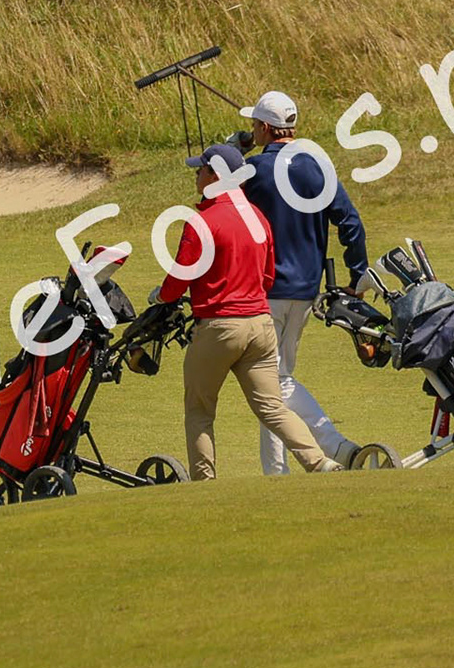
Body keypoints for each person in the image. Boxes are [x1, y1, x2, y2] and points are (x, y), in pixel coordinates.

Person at [156, 144, 342, 480]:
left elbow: (178, 280)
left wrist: (160, 296)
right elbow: (267, 277)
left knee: (199, 411)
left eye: (200, 169)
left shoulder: (202, 221)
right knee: (272, 407)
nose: (196, 175)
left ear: (215, 176)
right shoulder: (258, 217)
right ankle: (320, 462)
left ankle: (204, 483)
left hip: (218, 328)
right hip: (260, 326)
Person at [238, 90, 371, 475]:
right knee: (277, 380)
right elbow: (351, 223)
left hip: (267, 291)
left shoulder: (254, 170)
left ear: (265, 128)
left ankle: (329, 450)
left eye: (254, 125)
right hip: (307, 291)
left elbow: (217, 197)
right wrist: (357, 275)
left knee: (271, 384)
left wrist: (233, 153)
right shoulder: (317, 166)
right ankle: (292, 466)